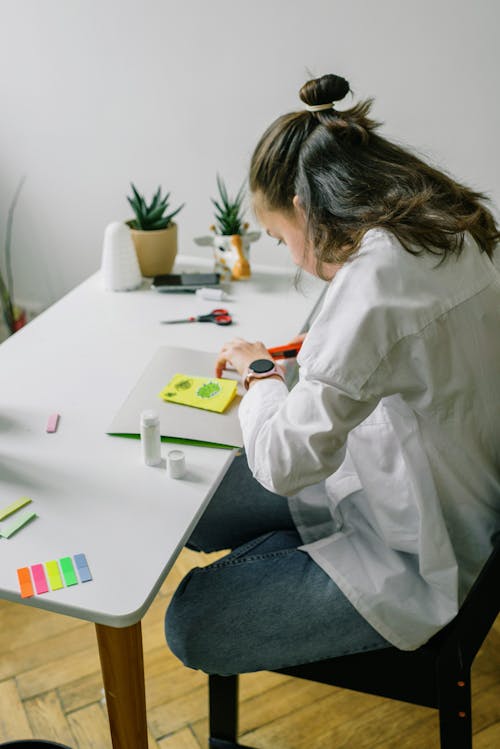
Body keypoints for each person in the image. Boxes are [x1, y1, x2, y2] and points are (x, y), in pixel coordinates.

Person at [165, 73, 500, 676]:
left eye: (280, 238)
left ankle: (290, 563)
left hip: (425, 548)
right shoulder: (445, 228)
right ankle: (285, 560)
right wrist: (302, 368)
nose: (292, 256)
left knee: (191, 622)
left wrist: (262, 371)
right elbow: (392, 358)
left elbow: (286, 464)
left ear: (302, 207)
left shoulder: (374, 281)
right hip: (424, 479)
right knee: (196, 498)